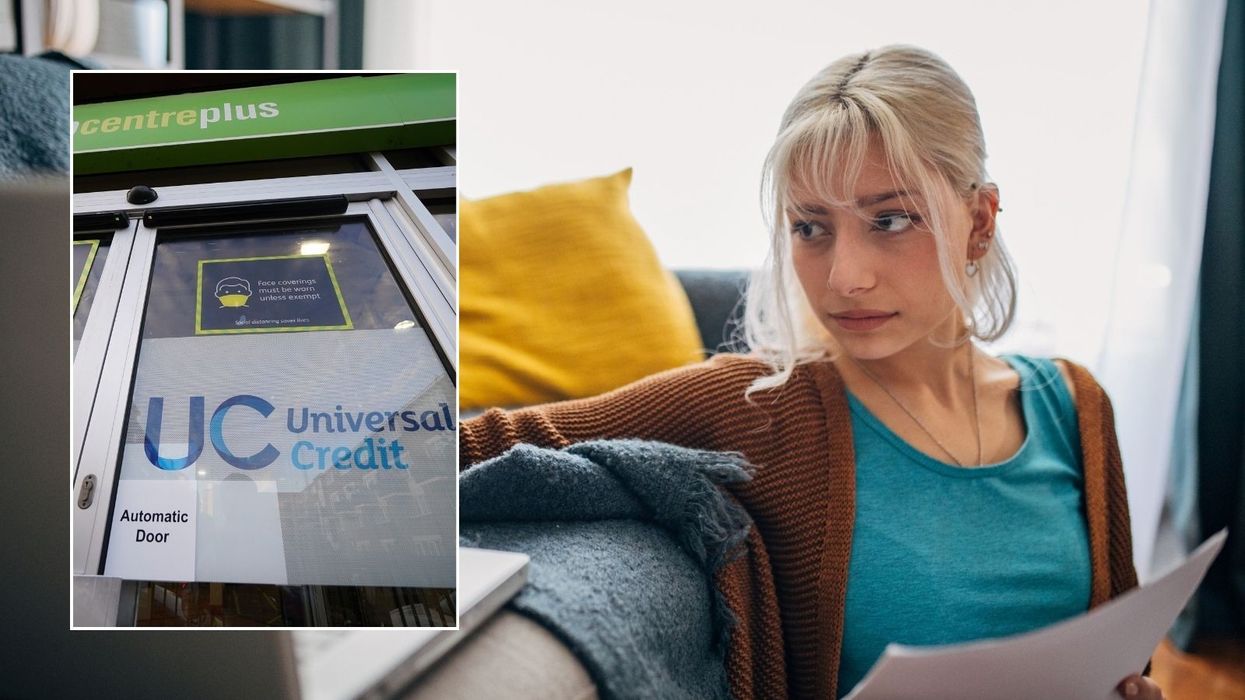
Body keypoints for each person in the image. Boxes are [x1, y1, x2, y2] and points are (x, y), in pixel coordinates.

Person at [461, 44, 1163, 700]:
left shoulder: (1074, 405)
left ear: (979, 220)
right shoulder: (756, 403)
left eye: (889, 220)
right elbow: (481, 444)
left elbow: (1122, 649)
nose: (843, 277)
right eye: (810, 228)